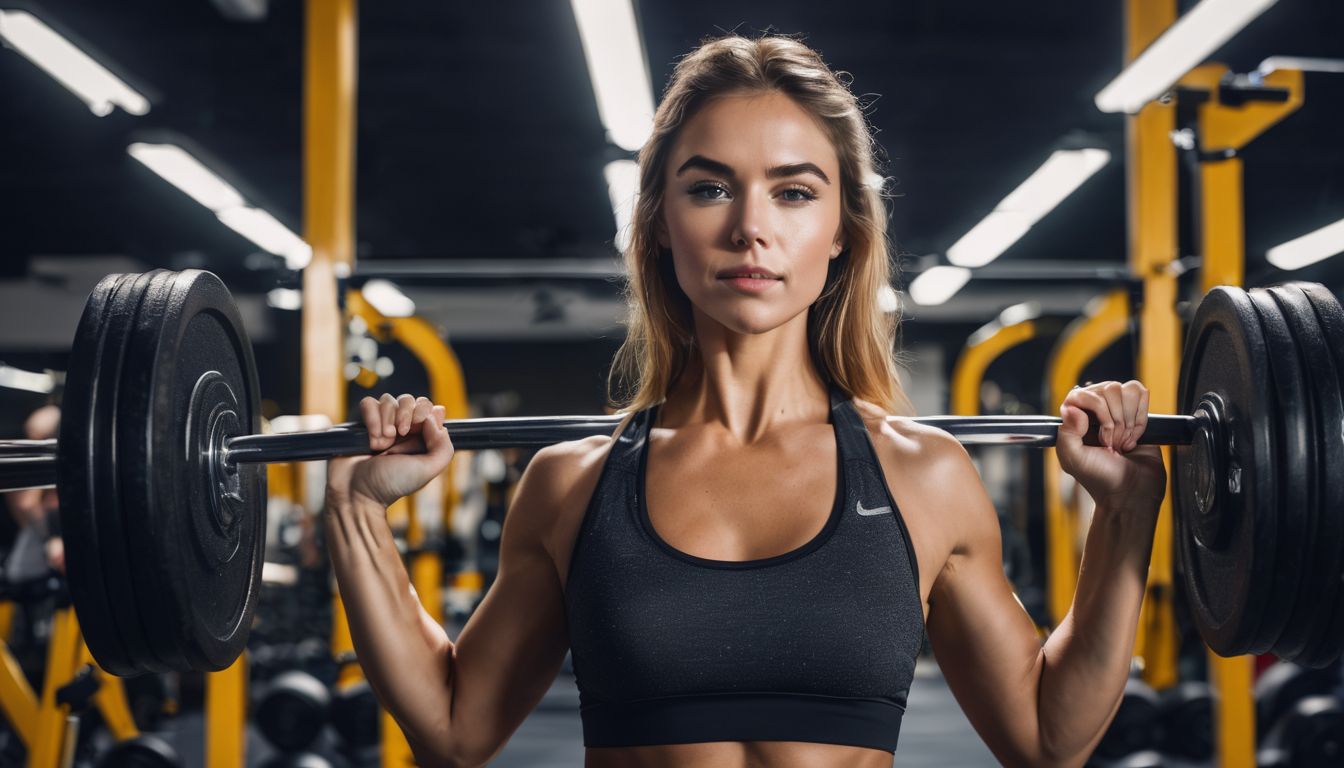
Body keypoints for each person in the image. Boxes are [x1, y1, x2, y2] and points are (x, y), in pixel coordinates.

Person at [323, 34, 1166, 768]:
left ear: (842, 231)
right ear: (657, 220)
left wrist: (1126, 519)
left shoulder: (923, 475)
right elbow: (452, 731)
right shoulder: (570, 486)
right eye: (710, 187)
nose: (750, 229)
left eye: (794, 192)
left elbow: (1050, 741)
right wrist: (359, 515)